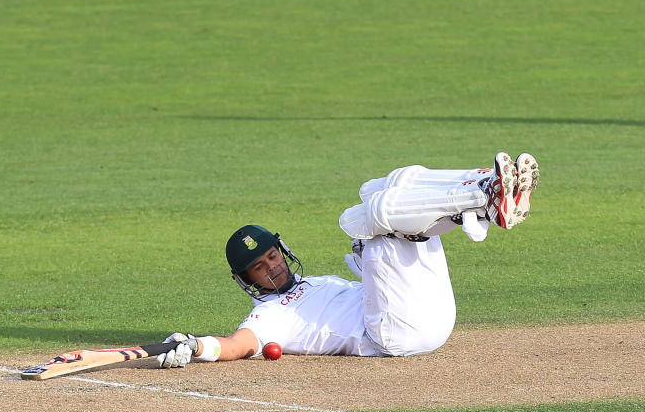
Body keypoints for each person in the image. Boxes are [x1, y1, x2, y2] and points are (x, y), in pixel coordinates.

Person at [156, 151, 540, 367]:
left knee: (387, 185)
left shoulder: (317, 283)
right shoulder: (269, 315)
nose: (272, 267)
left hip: (435, 315)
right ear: (248, 279)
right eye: (260, 267)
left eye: (272, 257)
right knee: (361, 219)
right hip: (395, 335)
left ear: (283, 252)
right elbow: (238, 344)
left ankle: (488, 189)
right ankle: (482, 201)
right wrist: (199, 346)